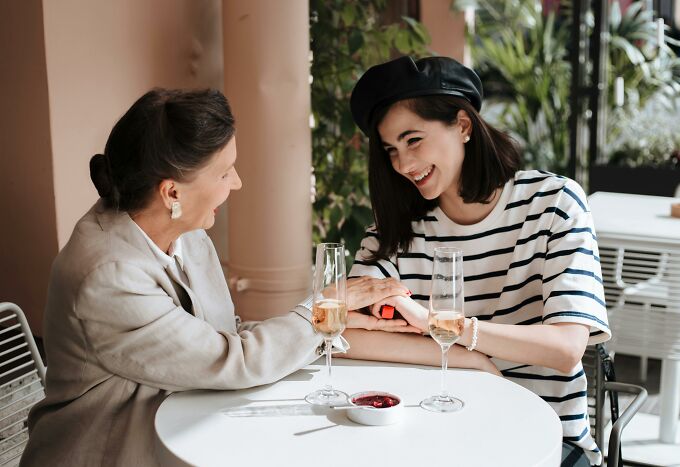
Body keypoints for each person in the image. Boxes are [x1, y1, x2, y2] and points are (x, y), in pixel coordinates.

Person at [19, 88, 429, 467]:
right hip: (110, 453)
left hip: (181, 433)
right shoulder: (107, 277)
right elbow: (231, 360)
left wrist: (327, 326)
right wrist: (320, 307)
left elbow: (222, 337)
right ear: (172, 193)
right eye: (224, 172)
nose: (237, 182)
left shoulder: (187, 233)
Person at [344, 56, 611, 467]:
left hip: (544, 444)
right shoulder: (394, 230)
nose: (403, 164)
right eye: (391, 150)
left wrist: (447, 328)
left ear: (463, 125)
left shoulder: (553, 204)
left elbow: (566, 347)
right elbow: (345, 336)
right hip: (434, 442)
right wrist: (471, 359)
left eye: (413, 140)